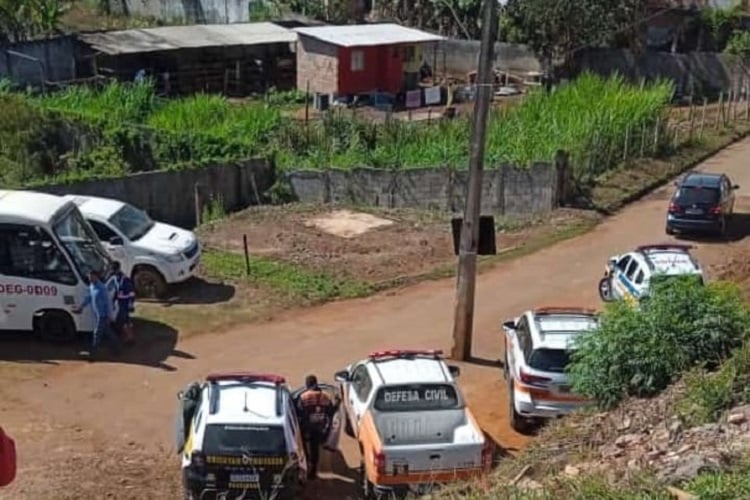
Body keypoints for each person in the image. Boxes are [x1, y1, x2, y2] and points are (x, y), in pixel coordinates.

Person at [72, 269, 121, 360]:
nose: (90, 279)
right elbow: (89, 298)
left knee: (97, 334)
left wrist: (109, 316)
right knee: (108, 333)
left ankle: (92, 354)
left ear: (96, 277)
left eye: (91, 277)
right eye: (89, 277)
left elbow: (108, 303)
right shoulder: (92, 286)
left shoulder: (102, 288)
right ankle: (117, 347)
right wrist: (81, 307)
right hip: (97, 314)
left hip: (103, 315)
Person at [296, 375, 335, 480]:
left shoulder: (304, 397)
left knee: (303, 448)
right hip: (320, 428)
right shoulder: (326, 397)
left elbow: (298, 411)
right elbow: (330, 412)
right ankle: (313, 471)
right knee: (315, 449)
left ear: (307, 385)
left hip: (306, 428)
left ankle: (305, 464)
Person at [111, 261, 136, 345]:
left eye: (115, 270)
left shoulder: (125, 280)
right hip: (120, 303)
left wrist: (131, 304)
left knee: (123, 321)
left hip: (125, 303)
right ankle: (129, 337)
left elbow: (132, 293)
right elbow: (116, 291)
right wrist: (113, 301)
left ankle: (129, 338)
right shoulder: (115, 278)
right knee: (126, 321)